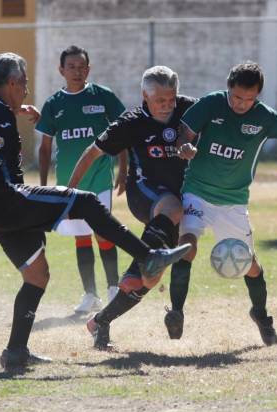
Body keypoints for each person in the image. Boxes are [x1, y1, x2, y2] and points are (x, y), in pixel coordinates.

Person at [0, 52, 190, 372]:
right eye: (23, 85)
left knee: (37, 275)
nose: (26, 90)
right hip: (6, 201)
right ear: (12, 83)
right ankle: (148, 255)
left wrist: (18, 109)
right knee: (83, 202)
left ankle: (15, 352)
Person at [172, 61, 277, 346]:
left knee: (249, 265)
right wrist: (184, 147)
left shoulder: (265, 117)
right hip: (197, 192)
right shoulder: (210, 104)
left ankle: (261, 315)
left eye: (249, 99)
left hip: (234, 201)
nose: (241, 104)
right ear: (229, 88)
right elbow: (183, 134)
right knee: (187, 245)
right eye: (237, 97)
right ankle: (176, 311)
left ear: (258, 96)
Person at [66, 66, 197, 349]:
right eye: (160, 100)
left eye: (171, 98)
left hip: (175, 198)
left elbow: (219, 117)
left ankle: (100, 322)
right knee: (172, 208)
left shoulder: (189, 110)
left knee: (149, 281)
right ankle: (137, 267)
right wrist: (70, 192)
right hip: (144, 193)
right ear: (144, 97)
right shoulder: (131, 122)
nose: (167, 105)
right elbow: (92, 153)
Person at [36, 45, 127, 314]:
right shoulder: (54, 104)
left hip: (100, 178)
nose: (77, 71)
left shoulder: (103, 97)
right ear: (61, 70)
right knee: (81, 236)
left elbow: (123, 133)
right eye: (71, 67)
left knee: (103, 231)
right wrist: (43, 185)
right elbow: (44, 148)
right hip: (69, 182)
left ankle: (113, 289)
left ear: (89, 69)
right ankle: (90, 295)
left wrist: (124, 169)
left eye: (82, 66)